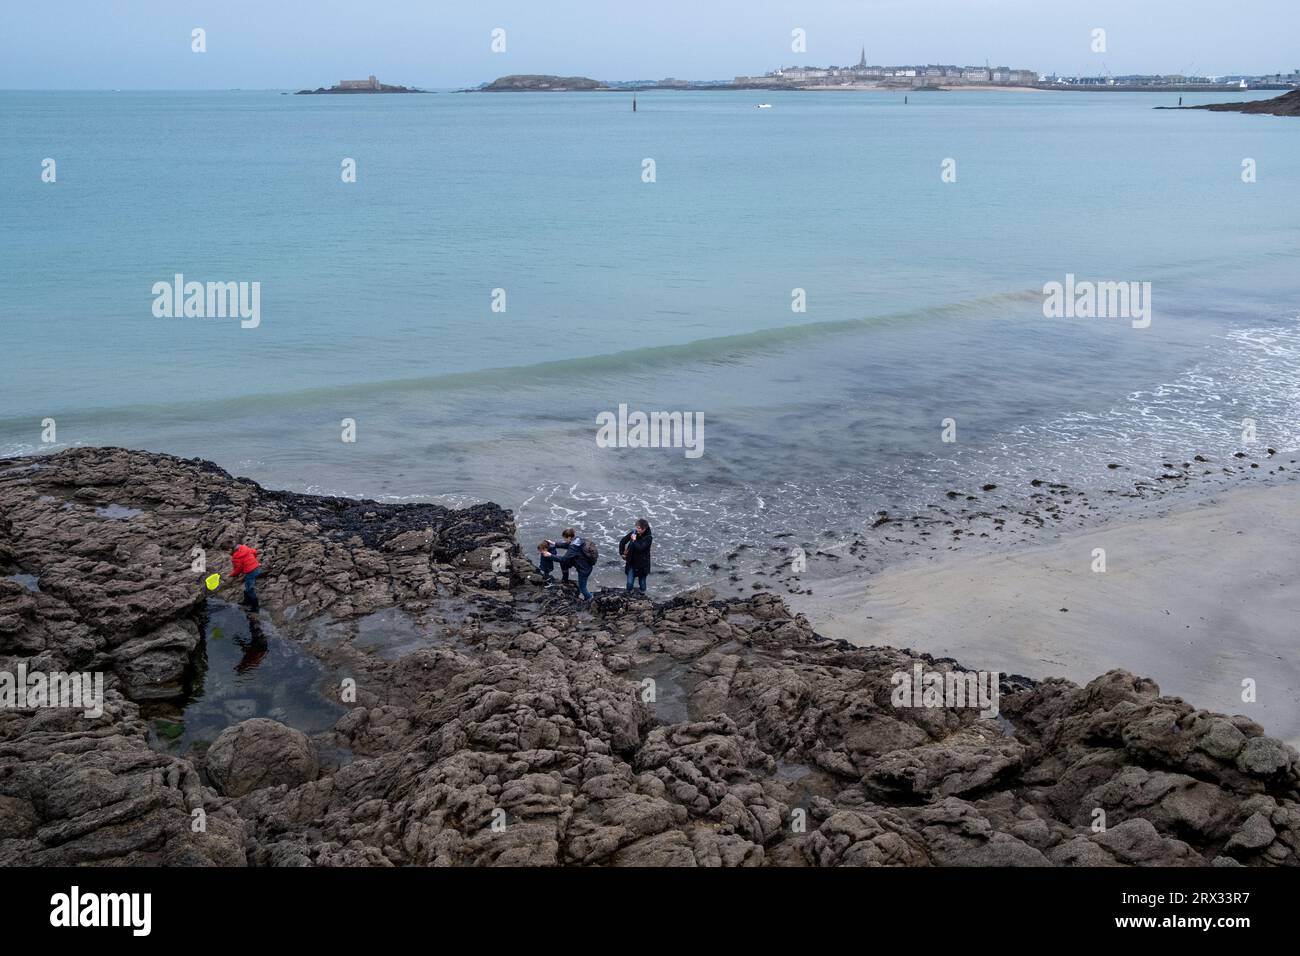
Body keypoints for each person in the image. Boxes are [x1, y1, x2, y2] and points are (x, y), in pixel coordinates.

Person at [539, 528, 593, 601]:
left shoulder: (573, 546)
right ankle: (565, 580)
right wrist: (554, 543)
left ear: (569, 537)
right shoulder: (577, 539)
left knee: (582, 588)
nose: (564, 540)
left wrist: (550, 555)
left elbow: (564, 559)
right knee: (563, 563)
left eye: (565, 538)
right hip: (583, 563)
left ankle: (590, 599)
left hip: (584, 569)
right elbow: (566, 545)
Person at [620, 519, 652, 593]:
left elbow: (640, 548)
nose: (637, 529)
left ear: (644, 529)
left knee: (642, 583)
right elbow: (623, 541)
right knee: (629, 583)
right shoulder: (634, 532)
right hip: (632, 562)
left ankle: (643, 595)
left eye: (639, 528)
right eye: (636, 527)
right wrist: (622, 552)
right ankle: (629, 594)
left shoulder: (648, 538)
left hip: (642, 565)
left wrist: (634, 540)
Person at [230, 543, 261, 612]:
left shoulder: (236, 557)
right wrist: (252, 560)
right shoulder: (245, 548)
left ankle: (255, 607)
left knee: (250, 589)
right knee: (247, 586)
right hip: (257, 568)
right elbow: (255, 552)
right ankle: (246, 601)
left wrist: (233, 574)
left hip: (250, 572)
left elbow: (238, 569)